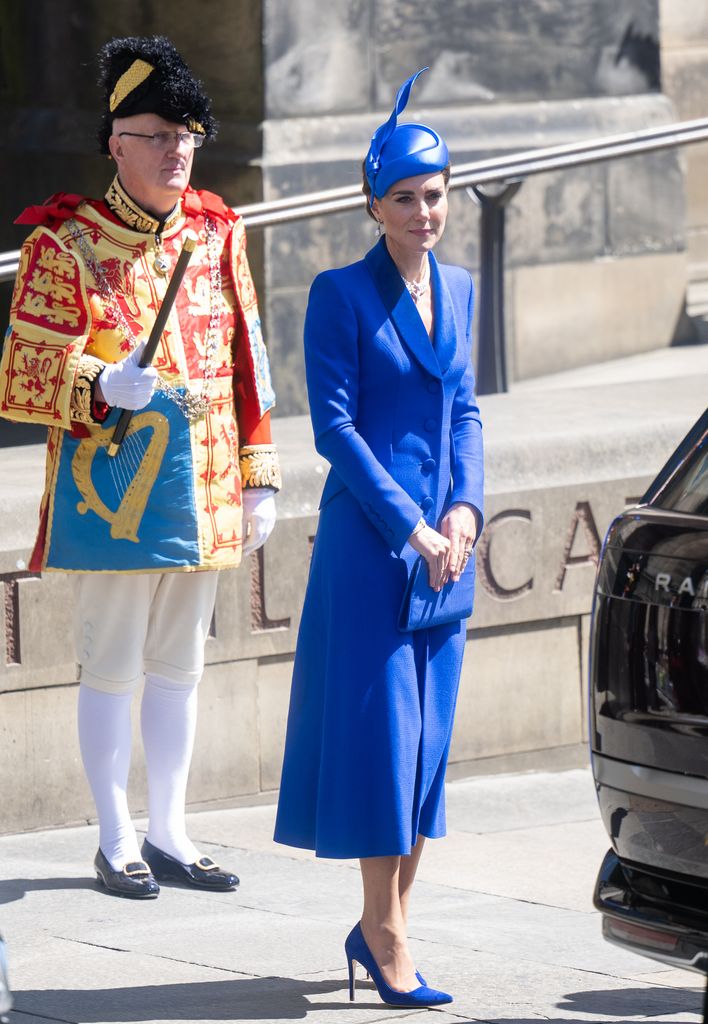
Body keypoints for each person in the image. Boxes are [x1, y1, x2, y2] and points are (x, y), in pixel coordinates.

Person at [0, 36, 281, 899]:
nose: (177, 150)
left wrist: (261, 470)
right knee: (111, 668)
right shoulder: (65, 244)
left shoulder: (218, 232)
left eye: (187, 134)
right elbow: (21, 374)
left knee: (181, 668)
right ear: (115, 143)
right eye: (158, 133)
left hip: (201, 491)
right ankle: (114, 836)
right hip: (112, 492)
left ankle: (171, 830)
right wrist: (96, 381)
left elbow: (248, 362)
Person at [273, 69, 483, 1007]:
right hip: (373, 555)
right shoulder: (338, 295)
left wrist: (466, 510)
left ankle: (380, 926)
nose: (423, 212)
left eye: (435, 195)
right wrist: (411, 524)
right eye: (403, 197)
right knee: (383, 748)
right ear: (373, 204)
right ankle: (390, 936)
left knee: (429, 748)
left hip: (450, 553)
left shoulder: (464, 289)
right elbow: (337, 432)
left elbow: (468, 411)